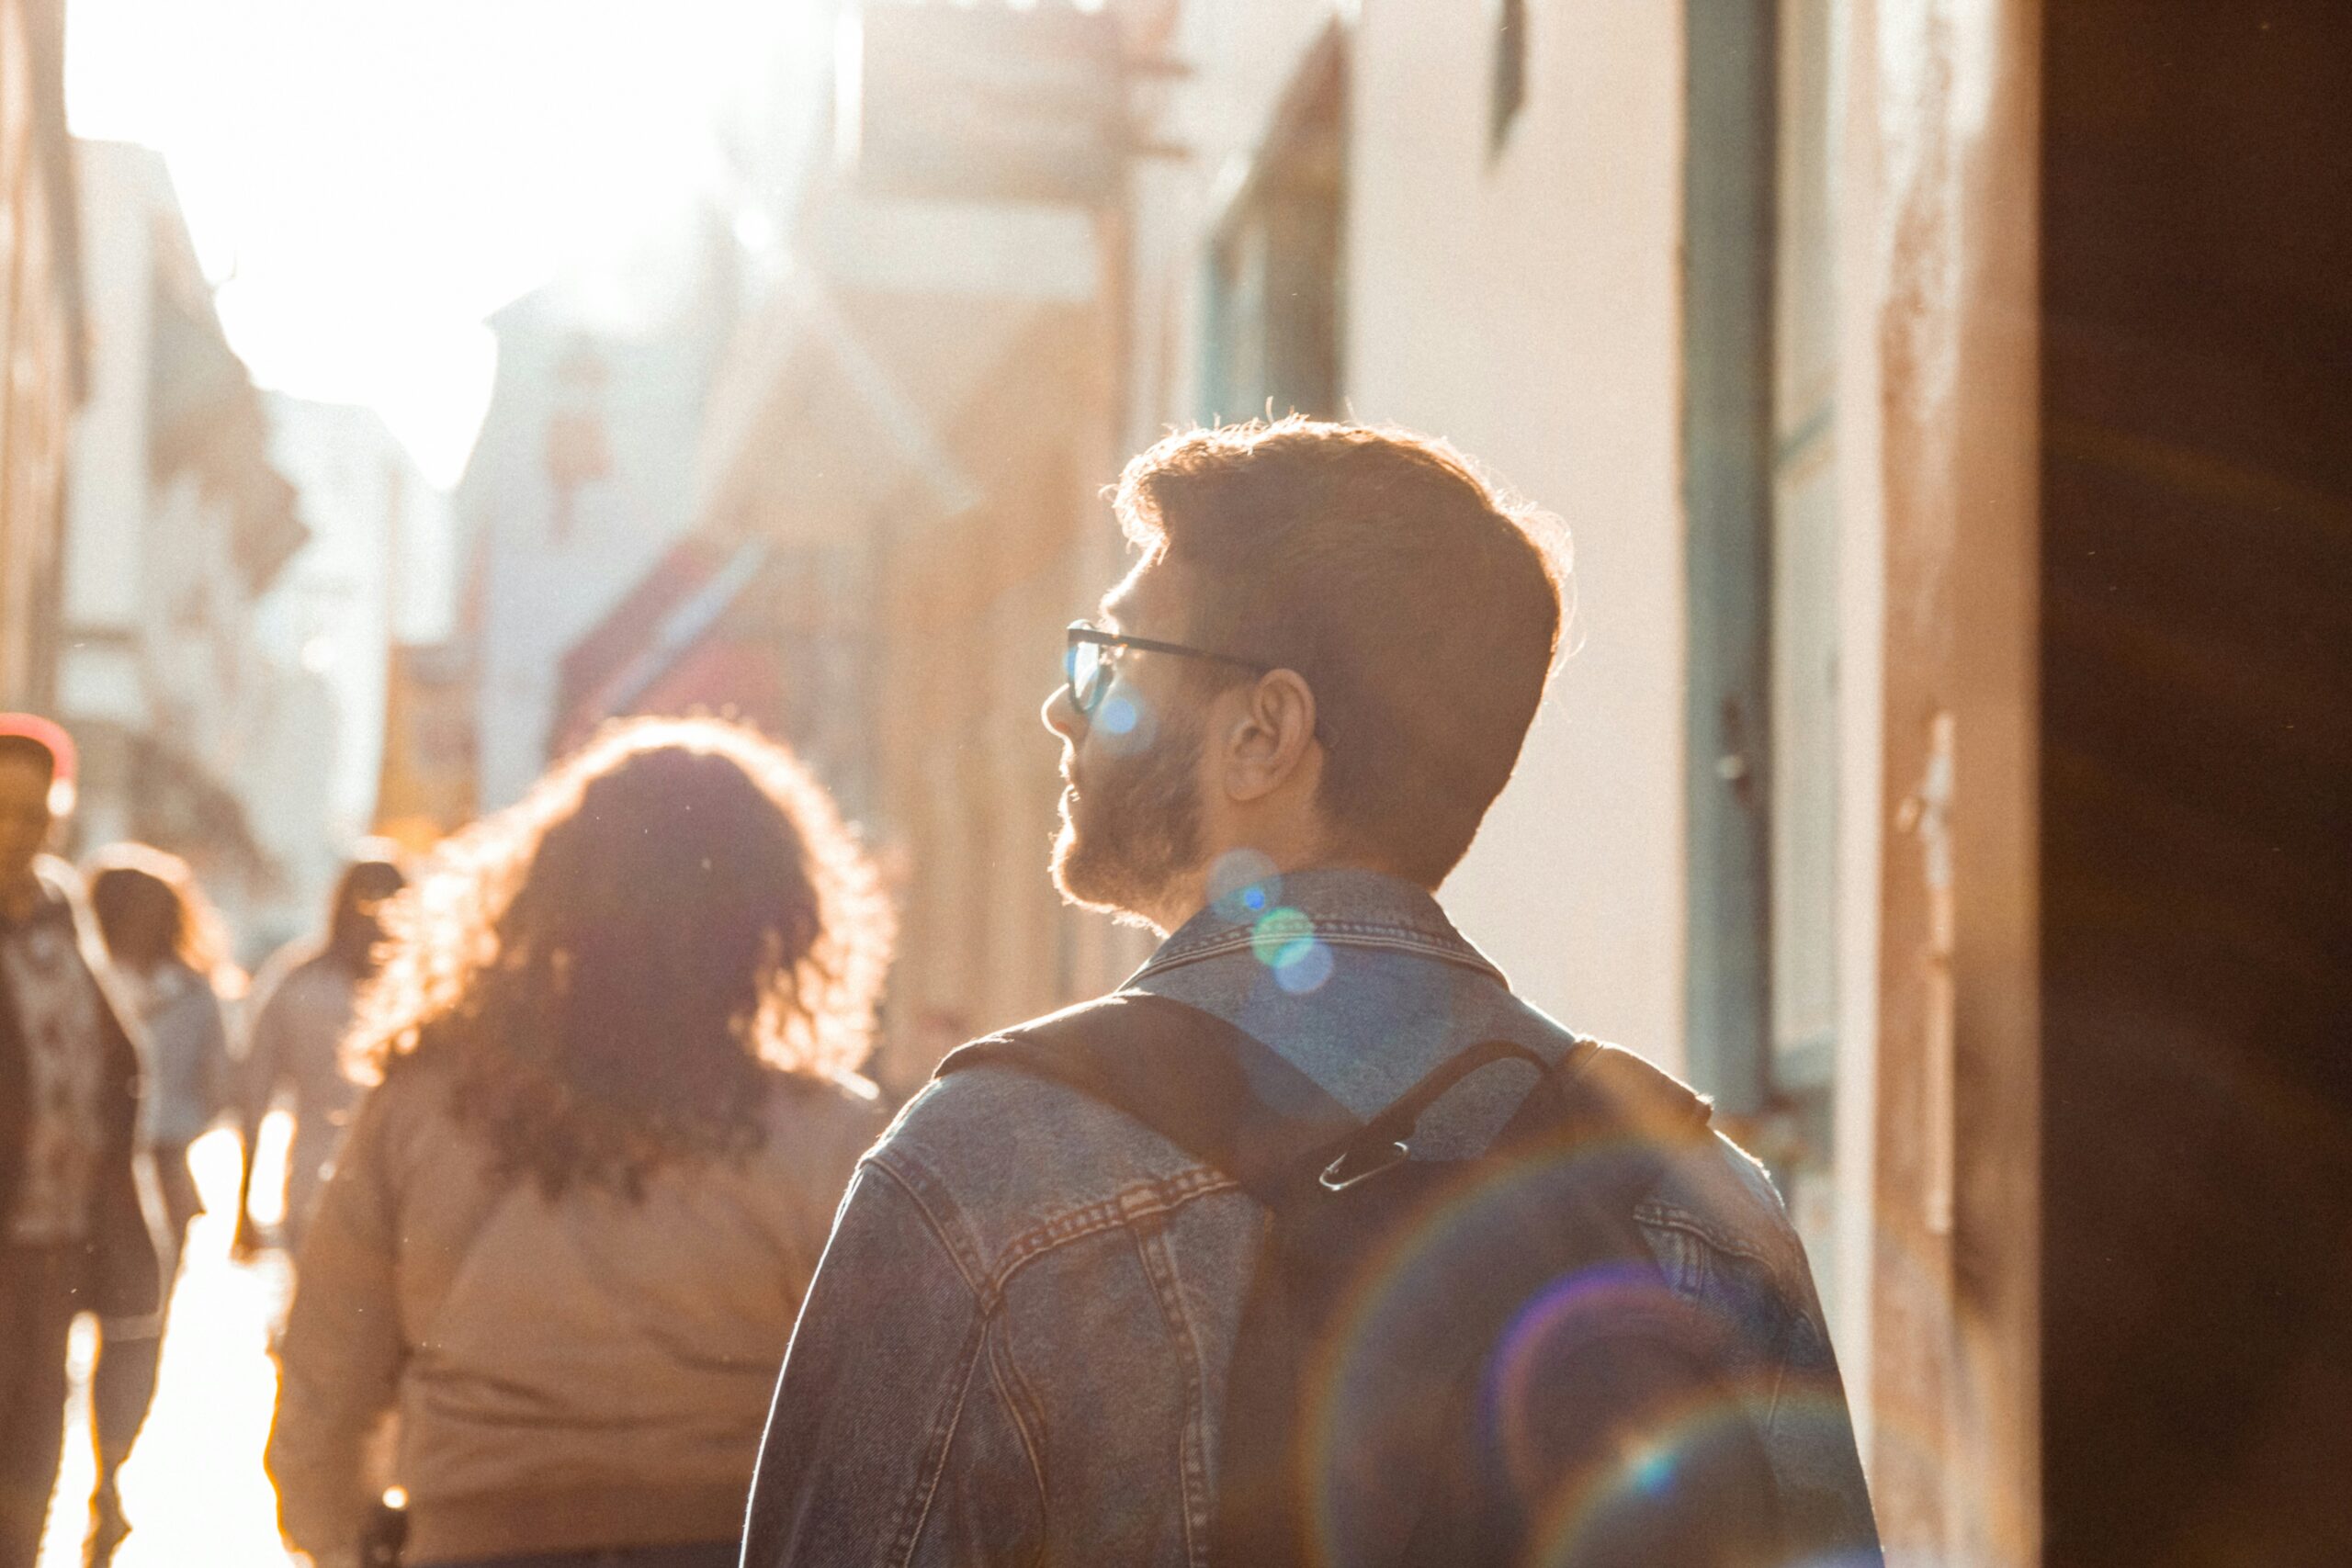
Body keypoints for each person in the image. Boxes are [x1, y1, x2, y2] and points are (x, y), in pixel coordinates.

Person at [743, 420, 1883, 1564]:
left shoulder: (988, 1172)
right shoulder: (1703, 1200)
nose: (1063, 707)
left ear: (1264, 733)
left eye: (1115, 659)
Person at [266, 716, 892, 1568]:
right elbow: (888, 1412)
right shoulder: (831, 1136)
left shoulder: (425, 1105)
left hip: (476, 1537)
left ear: (552, 895)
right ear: (777, 919)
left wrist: (342, 1534)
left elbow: (327, 1366)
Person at [0, 716, 163, 1568]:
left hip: (59, 1231)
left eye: (32, 814)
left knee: (35, 1432)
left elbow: (108, 1052)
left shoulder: (61, 909)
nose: (13, 833)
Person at [81, 843, 239, 1566]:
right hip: (75, 1178)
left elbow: (216, 1087)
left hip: (163, 1178)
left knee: (139, 1334)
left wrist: (167, 1135)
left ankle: (111, 1470)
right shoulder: (78, 975)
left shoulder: (195, 993)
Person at [235, 850, 406, 1254]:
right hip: (403, 1193)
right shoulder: (424, 989)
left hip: (314, 1185)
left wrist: (242, 1206)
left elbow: (253, 1099)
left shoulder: (297, 981)